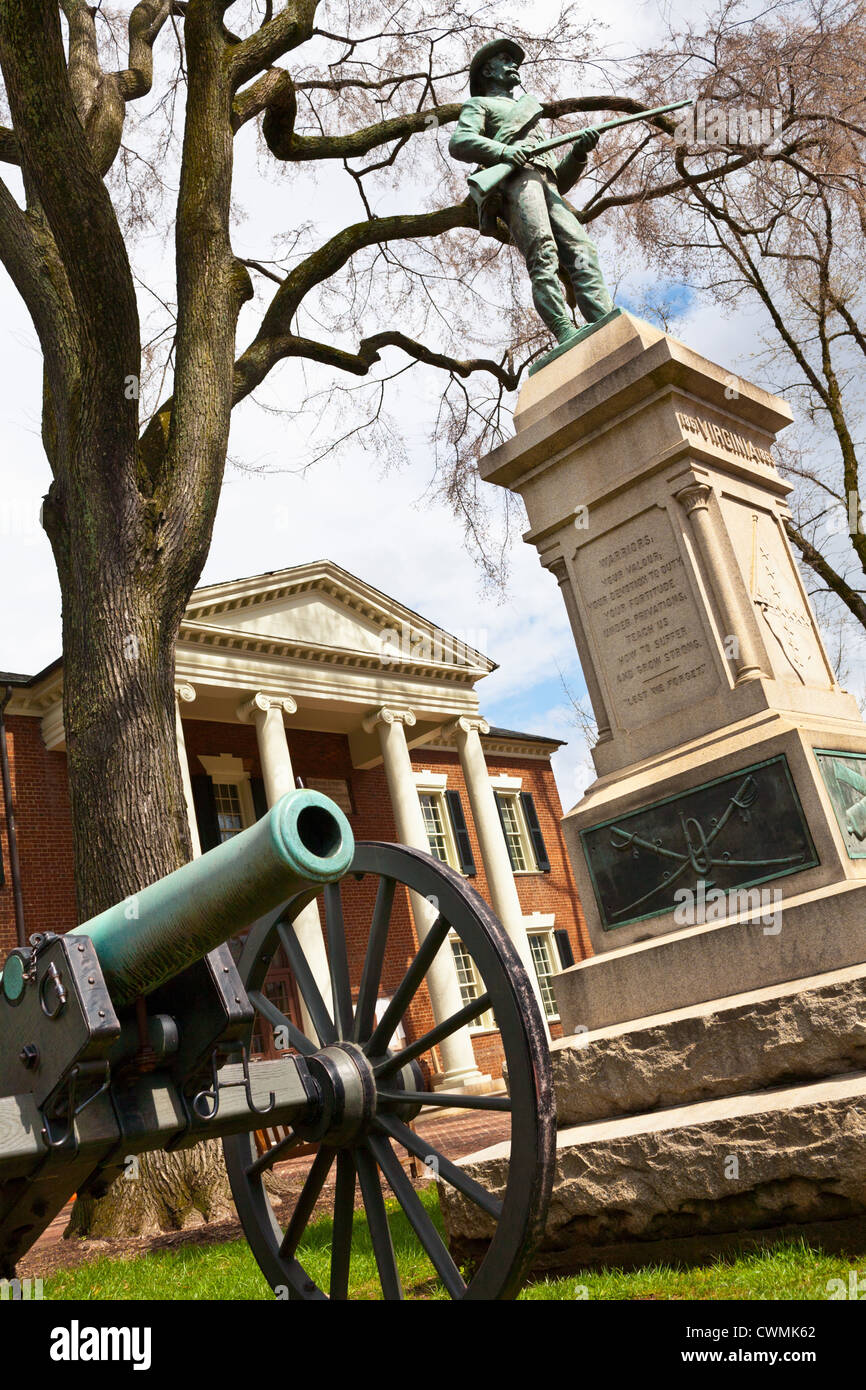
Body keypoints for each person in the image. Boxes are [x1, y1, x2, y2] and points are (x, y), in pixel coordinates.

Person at [449, 38, 616, 349]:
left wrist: (579, 153)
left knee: (583, 251)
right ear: (488, 70)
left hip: (547, 186)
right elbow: (459, 142)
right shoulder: (480, 105)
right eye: (505, 59)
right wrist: (501, 151)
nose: (514, 65)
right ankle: (564, 330)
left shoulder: (530, 109)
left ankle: (604, 319)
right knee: (543, 251)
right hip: (516, 182)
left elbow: (558, 178)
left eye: (515, 61)